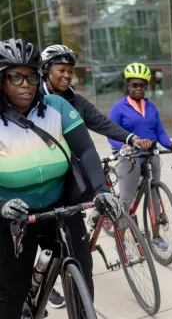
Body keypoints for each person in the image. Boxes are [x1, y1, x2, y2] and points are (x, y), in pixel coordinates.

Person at [0, 38, 122, 318]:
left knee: (82, 276)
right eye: (14, 76)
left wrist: (102, 190)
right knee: (11, 295)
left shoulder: (55, 105)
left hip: (60, 205)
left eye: (31, 75)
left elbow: (86, 148)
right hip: (14, 215)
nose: (25, 84)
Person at [40, 44, 151, 308]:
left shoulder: (73, 100)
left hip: (69, 182)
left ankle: (80, 297)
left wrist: (130, 137)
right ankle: (47, 281)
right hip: (39, 185)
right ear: (45, 71)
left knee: (78, 252)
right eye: (61, 70)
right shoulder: (33, 100)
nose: (67, 76)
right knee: (44, 240)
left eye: (70, 71)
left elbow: (99, 123)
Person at [108, 62, 172, 251]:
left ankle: (155, 236)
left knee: (154, 195)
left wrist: (170, 144)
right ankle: (120, 243)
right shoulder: (119, 108)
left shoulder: (151, 106)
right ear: (127, 85)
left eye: (142, 85)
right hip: (130, 157)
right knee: (126, 199)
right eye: (134, 85)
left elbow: (160, 132)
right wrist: (124, 146)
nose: (139, 88)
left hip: (151, 155)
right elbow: (111, 135)